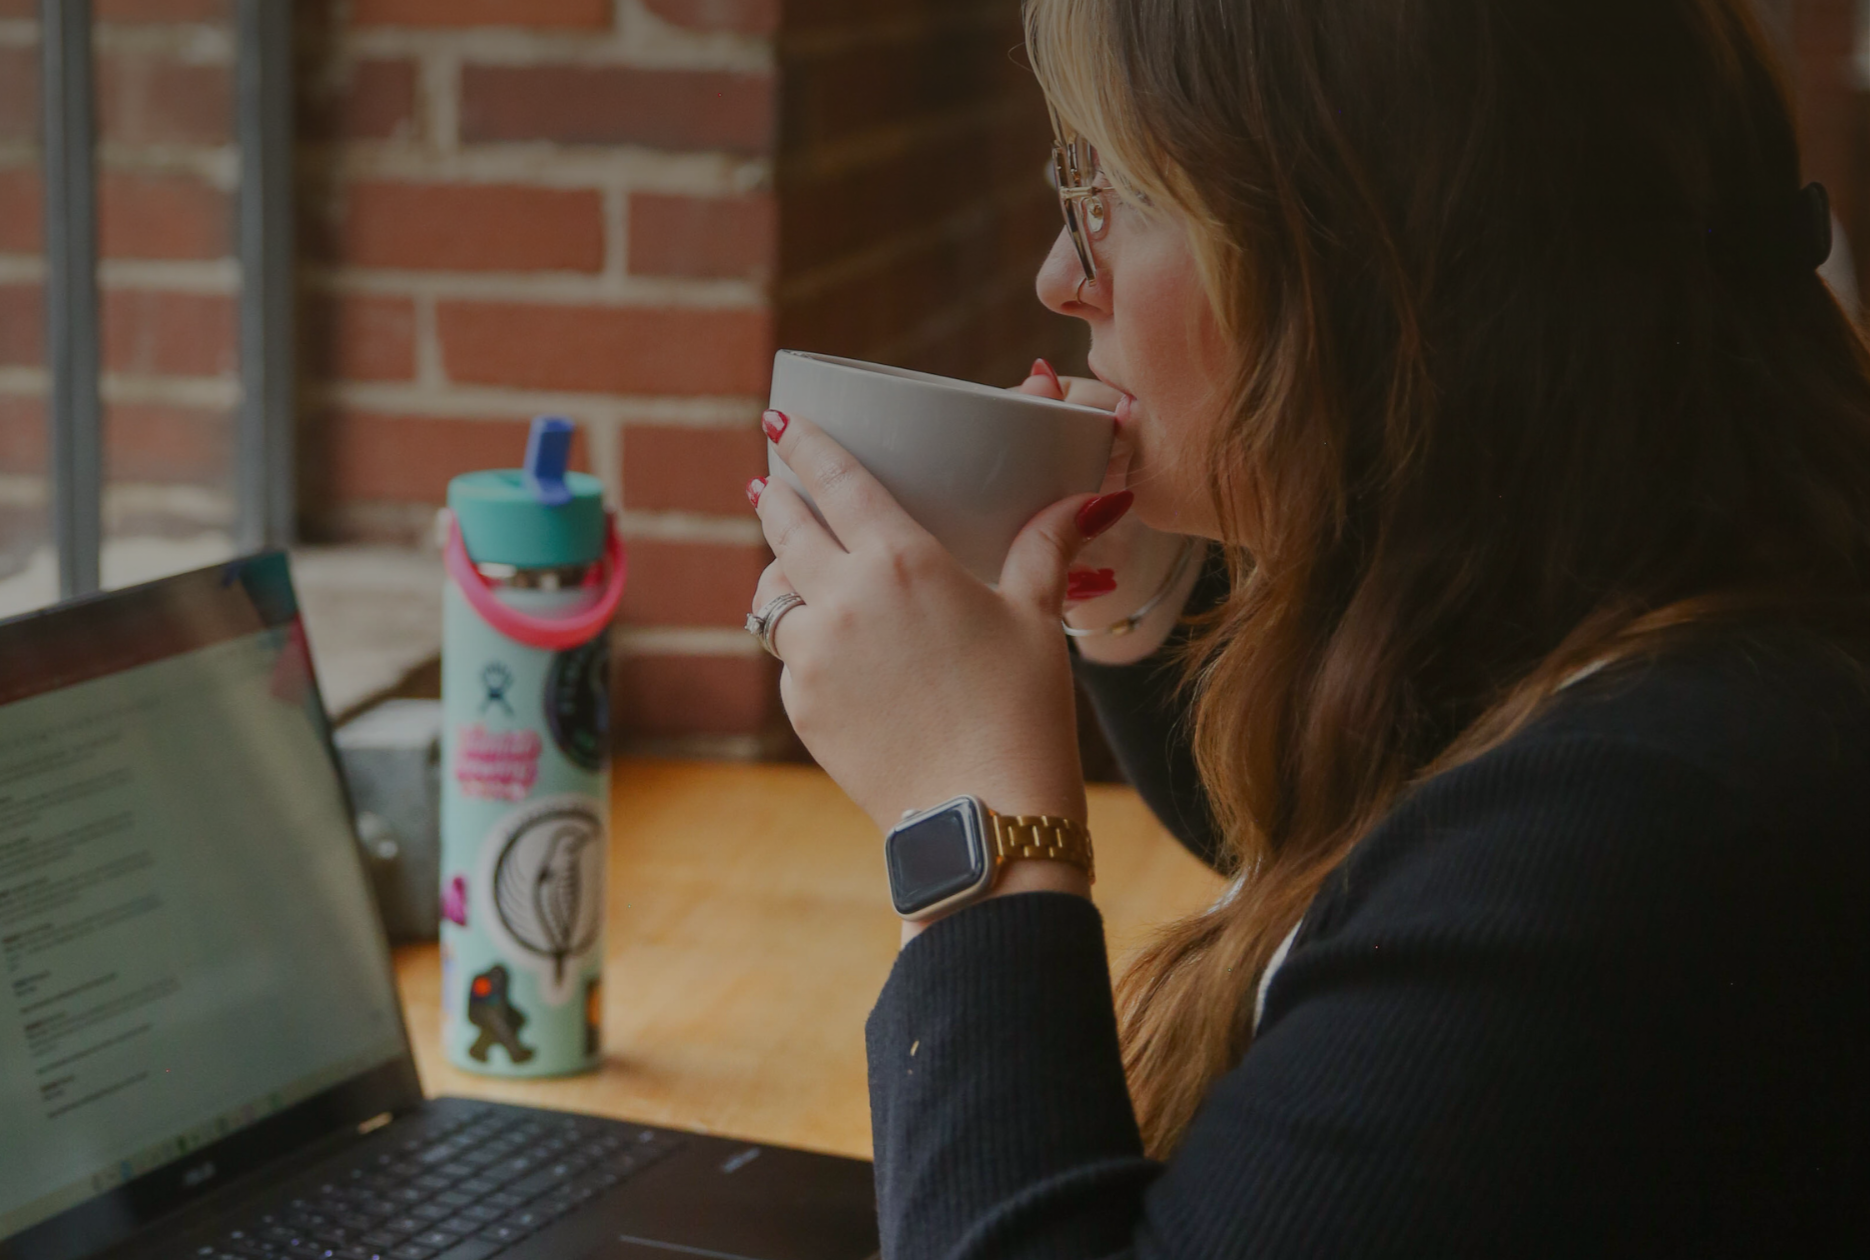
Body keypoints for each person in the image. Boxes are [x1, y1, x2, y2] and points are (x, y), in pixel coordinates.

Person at [740, 0, 1870, 1254]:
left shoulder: (1651, 833)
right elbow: (1379, 858)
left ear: (1358, 265)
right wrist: (1121, 595)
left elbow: (1472, 912)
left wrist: (969, 821)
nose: (1062, 275)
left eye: (1107, 193)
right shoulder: (1671, 612)